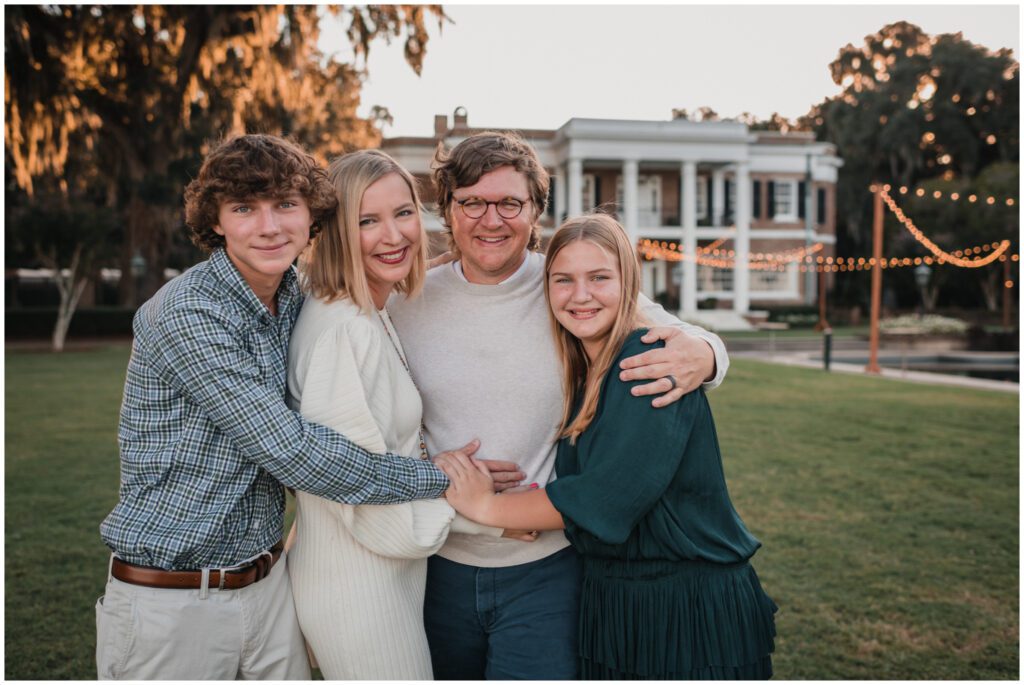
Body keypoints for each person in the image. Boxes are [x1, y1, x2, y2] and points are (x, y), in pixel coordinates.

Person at [95, 135, 472, 680]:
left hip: (268, 589)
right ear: (216, 220)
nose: (269, 226)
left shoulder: (294, 294)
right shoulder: (188, 313)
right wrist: (433, 477)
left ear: (312, 215)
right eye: (245, 208)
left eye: (285, 205)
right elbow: (292, 453)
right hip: (174, 600)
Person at [388, 131, 731, 679]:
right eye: (471, 202)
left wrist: (708, 354)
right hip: (436, 565)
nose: (490, 219)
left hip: (549, 568)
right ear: (447, 211)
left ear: (536, 211)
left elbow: (679, 337)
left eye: (509, 203)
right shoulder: (405, 303)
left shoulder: (566, 282)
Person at [440, 213, 778, 680]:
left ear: (628, 282)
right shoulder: (588, 369)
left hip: (681, 605)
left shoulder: (647, 361)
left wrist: (485, 507)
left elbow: (603, 498)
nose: (581, 295)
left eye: (599, 277)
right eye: (564, 280)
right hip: (617, 602)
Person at [285, 150, 533, 679]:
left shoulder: (371, 310)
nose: (393, 235)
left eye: (402, 213)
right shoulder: (342, 328)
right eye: (367, 221)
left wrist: (443, 469)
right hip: (357, 588)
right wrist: (484, 516)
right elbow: (351, 488)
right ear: (334, 231)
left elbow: (381, 450)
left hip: (387, 576)